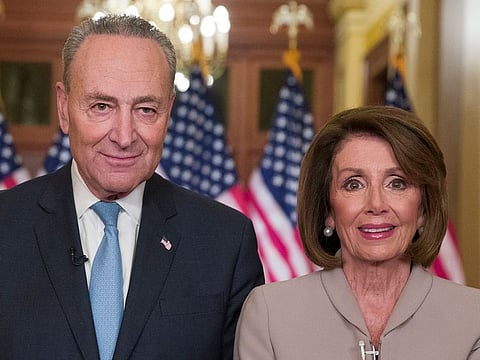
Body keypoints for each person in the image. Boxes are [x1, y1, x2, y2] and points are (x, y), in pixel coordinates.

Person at [0, 15, 264, 360]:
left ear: (168, 112)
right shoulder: (5, 227)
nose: (124, 136)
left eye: (145, 109)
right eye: (101, 106)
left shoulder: (225, 241)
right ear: (64, 108)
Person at [234, 105, 480, 359]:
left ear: (423, 210)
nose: (376, 204)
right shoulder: (270, 314)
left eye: (397, 183)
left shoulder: (474, 318)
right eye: (354, 184)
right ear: (328, 209)